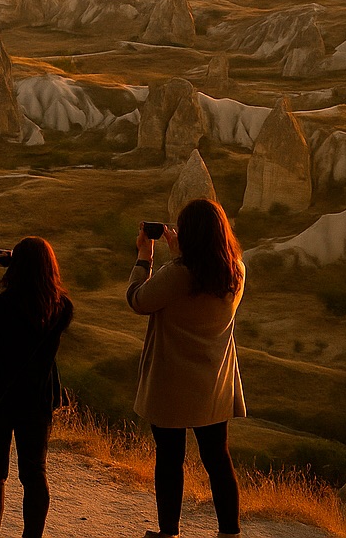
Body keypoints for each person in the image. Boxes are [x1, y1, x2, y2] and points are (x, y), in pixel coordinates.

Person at [127, 198, 246, 538]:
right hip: (214, 382)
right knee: (218, 460)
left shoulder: (179, 274)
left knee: (169, 460)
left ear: (189, 235)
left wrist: (145, 257)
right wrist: (181, 252)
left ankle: (169, 533)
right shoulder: (237, 270)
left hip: (172, 383)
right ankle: (229, 532)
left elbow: (138, 299)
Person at [0, 237, 74, 538]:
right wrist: (23, 263)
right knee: (34, 475)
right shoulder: (61, 307)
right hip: (36, 403)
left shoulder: (4, 305)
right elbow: (35, 293)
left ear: (18, 268)